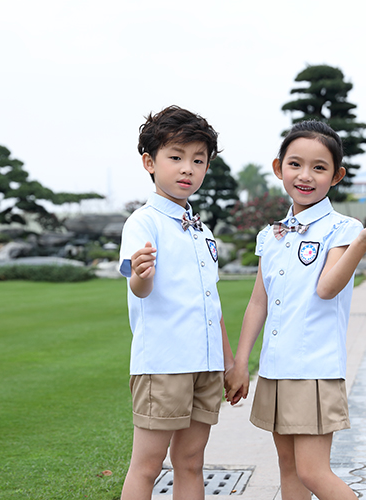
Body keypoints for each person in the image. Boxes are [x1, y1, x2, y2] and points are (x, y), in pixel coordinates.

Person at [225, 120, 366, 500]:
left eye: (319, 167)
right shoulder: (271, 235)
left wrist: (363, 242)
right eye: (295, 164)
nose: (305, 176)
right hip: (275, 369)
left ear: (336, 176)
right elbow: (259, 301)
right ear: (279, 168)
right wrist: (241, 362)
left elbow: (327, 287)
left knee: (313, 473)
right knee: (289, 472)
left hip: (313, 371)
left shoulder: (343, 228)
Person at [118, 105, 234, 500]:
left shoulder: (200, 229)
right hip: (164, 364)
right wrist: (140, 275)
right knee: (148, 466)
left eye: (198, 160)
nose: (188, 168)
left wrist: (230, 362)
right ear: (150, 162)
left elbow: (210, 303)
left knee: (191, 463)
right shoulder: (143, 222)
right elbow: (139, 288)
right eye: (176, 157)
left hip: (206, 365)